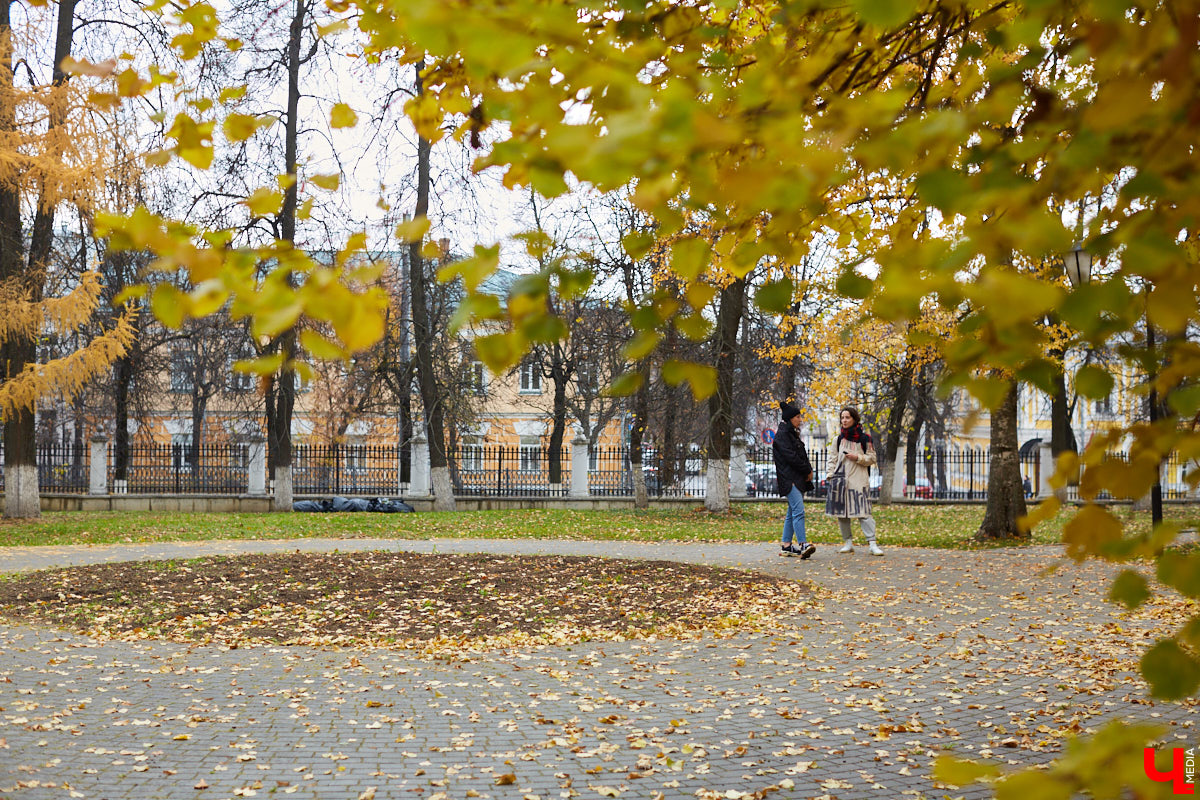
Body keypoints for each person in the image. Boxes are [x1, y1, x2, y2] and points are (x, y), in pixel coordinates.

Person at [825, 406, 884, 556]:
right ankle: (848, 543)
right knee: (842, 514)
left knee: (864, 513)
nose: (844, 420)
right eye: (842, 418)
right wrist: (830, 476)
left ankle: (872, 544)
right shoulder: (838, 439)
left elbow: (872, 458)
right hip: (840, 482)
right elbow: (832, 459)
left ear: (854, 419)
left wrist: (858, 457)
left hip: (859, 481)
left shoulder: (865, 439)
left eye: (847, 417)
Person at [772, 401, 816, 559]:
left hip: (796, 478)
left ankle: (786, 546)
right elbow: (792, 457)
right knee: (798, 511)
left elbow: (800, 455)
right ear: (790, 418)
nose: (800, 420)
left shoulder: (790, 434)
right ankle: (803, 544)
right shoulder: (783, 436)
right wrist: (807, 469)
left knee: (792, 512)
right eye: (797, 417)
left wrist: (808, 469)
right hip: (790, 479)